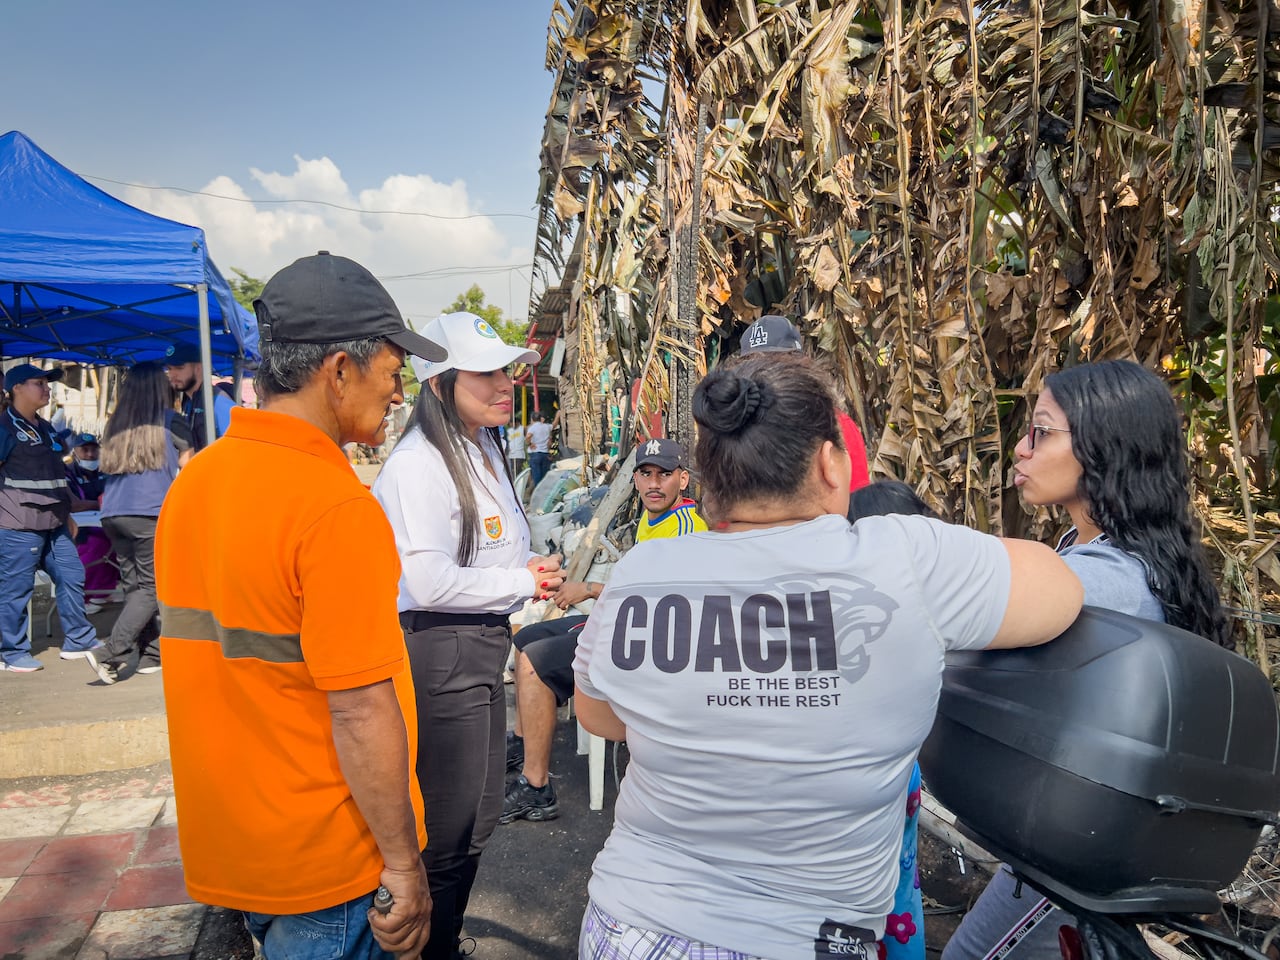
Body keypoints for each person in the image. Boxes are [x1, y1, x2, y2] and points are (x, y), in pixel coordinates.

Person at [572, 351, 1083, 960]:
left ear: (709, 479)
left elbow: (598, 716)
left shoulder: (644, 571)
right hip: (804, 939)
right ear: (830, 461)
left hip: (629, 925)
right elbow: (1059, 591)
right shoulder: (904, 558)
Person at [156, 252, 443, 960]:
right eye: (391, 368)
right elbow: (359, 708)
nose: (398, 389)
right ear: (338, 368)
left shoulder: (197, 484)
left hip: (238, 850)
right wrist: (404, 866)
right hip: (330, 868)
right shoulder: (334, 507)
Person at [942, 359, 1231, 960]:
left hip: (1081, 843)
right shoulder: (1101, 553)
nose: (1020, 450)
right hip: (1084, 832)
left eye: (1040, 432)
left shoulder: (1105, 581)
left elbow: (959, 629)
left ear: (1103, 442)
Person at [373, 311, 565, 960]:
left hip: (481, 643)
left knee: (479, 817)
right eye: (484, 373)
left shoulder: (482, 447)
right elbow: (426, 582)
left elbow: (493, 553)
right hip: (441, 647)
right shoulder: (419, 464)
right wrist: (521, 580)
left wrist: (525, 575)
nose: (503, 383)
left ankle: (442, 939)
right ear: (439, 384)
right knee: (449, 826)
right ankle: (428, 947)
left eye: (505, 370)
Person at [501, 437, 708, 825]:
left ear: (683, 480)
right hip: (623, 621)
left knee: (534, 662)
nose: (652, 483)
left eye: (664, 475)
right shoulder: (654, 518)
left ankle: (536, 786)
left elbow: (658, 600)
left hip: (647, 640)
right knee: (525, 638)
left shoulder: (684, 527)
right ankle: (523, 740)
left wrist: (589, 589)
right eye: (645, 474)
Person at [847, 479, 938, 960]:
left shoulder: (861, 617)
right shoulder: (928, 612)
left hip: (869, 777)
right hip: (904, 776)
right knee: (901, 885)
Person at [0, 363, 109, 677]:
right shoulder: (4, 428)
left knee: (72, 575)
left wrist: (66, 514)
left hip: (55, 522)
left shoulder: (45, 428)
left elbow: (56, 477)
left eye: (47, 384)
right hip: (18, 523)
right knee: (16, 589)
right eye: (38, 383)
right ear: (16, 388)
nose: (46, 389)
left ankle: (78, 639)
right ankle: (12, 652)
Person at [95, 363, 193, 682]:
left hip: (113, 513)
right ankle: (109, 651)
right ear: (158, 388)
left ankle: (148, 654)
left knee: (134, 588)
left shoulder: (116, 424)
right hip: (149, 513)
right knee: (150, 590)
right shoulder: (171, 421)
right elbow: (188, 470)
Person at [740, 314, 871, 491]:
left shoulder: (834, 423)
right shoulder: (736, 427)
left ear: (799, 365)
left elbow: (858, 496)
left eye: (773, 364)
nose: (762, 375)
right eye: (753, 365)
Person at [64, 432, 119, 612]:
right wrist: (100, 503)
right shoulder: (68, 472)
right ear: (75, 451)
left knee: (121, 536)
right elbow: (74, 505)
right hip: (78, 526)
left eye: (93, 450)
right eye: (84, 450)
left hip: (105, 519)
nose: (89, 454)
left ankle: (104, 591)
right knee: (96, 542)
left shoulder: (106, 471)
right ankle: (86, 595)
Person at [163, 342, 235, 451]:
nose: (172, 374)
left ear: (198, 368)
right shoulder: (189, 402)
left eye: (179, 368)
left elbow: (237, 448)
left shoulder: (218, 402)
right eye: (169, 368)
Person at [526, 409, 554, 489]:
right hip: (545, 454)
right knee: (544, 475)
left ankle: (537, 492)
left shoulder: (532, 428)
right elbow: (554, 425)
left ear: (532, 419)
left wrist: (530, 444)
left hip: (535, 454)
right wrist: (558, 416)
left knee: (536, 476)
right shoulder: (547, 426)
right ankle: (544, 492)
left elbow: (528, 437)